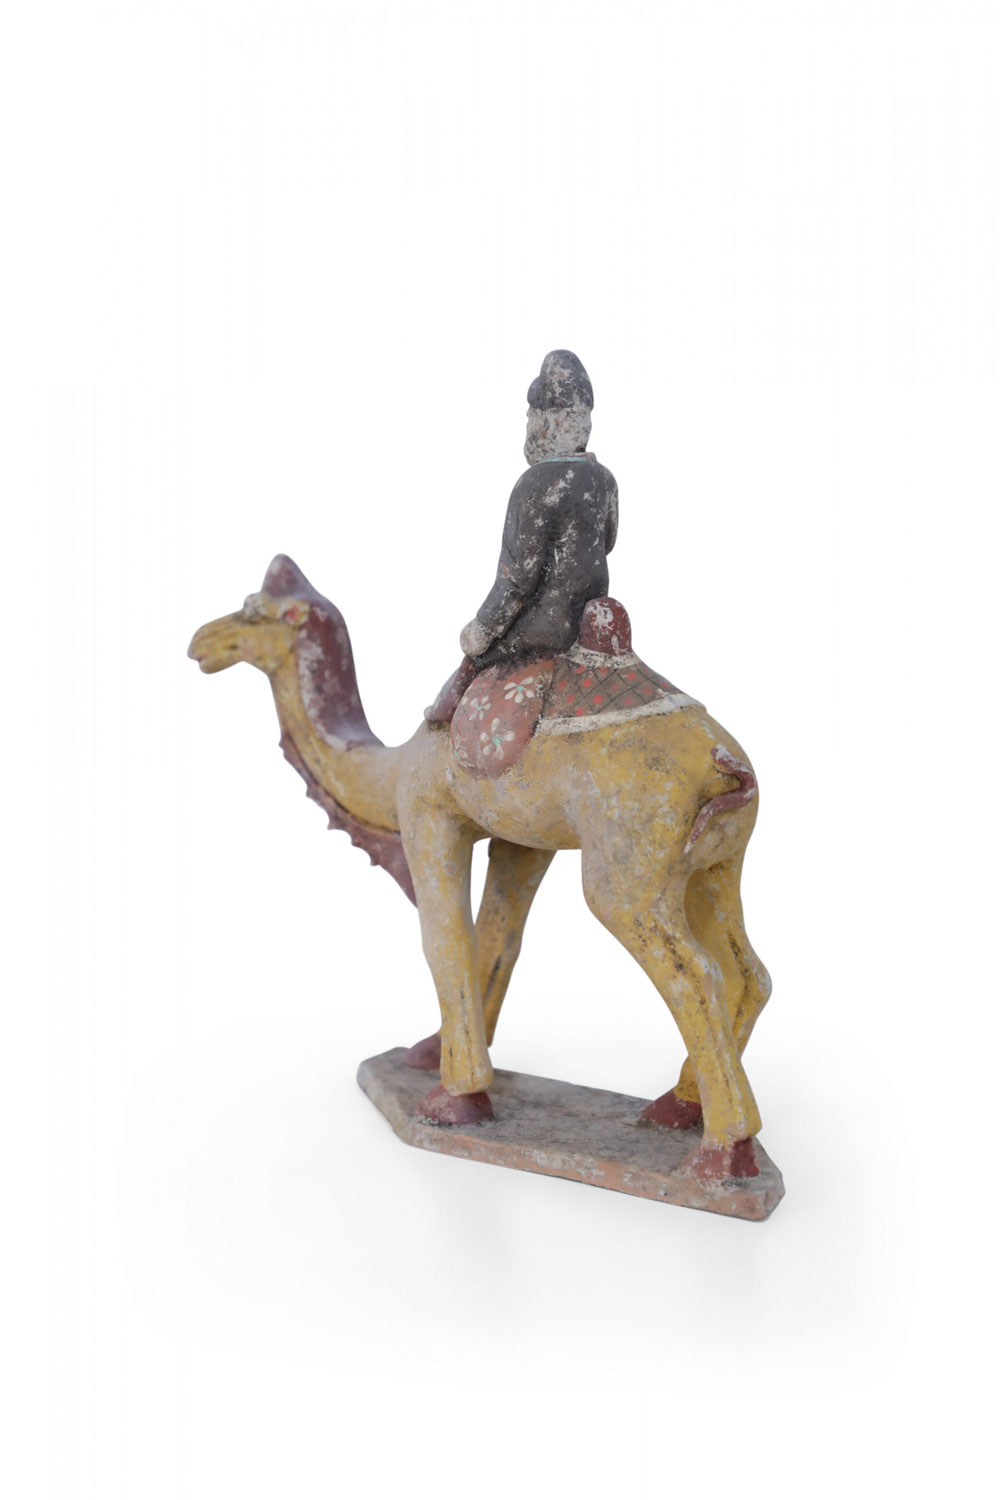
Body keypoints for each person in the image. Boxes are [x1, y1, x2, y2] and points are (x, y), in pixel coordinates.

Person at [459, 350, 619, 667]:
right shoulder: (605, 480)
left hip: (547, 627)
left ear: (545, 420)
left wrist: (483, 627)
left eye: (531, 415)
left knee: (473, 663)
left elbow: (518, 578)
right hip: (590, 616)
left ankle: (454, 696)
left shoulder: (533, 485)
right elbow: (608, 542)